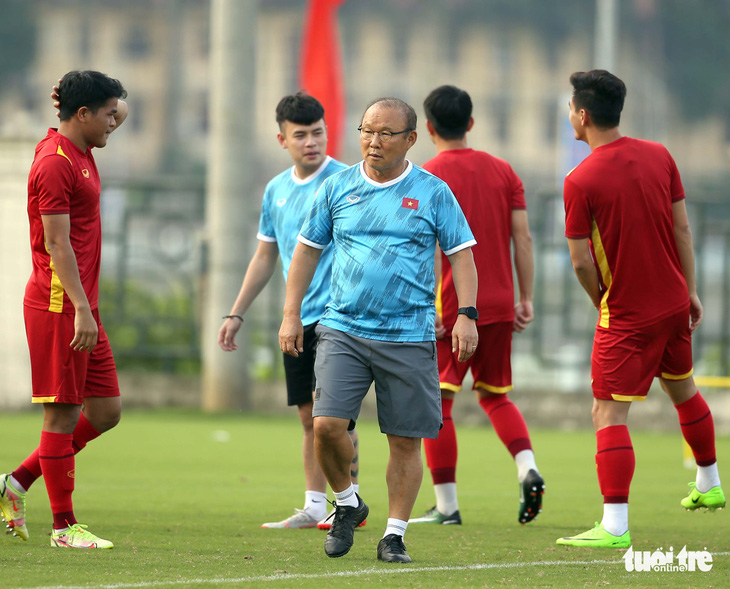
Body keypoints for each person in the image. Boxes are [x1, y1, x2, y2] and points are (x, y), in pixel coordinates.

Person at [279, 97, 479, 563]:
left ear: (411, 139)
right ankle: (348, 503)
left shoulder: (433, 192)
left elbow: (462, 255)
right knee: (326, 427)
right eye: (367, 130)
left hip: (408, 334)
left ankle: (394, 535)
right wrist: (291, 314)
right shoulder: (337, 187)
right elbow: (306, 251)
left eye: (386, 133)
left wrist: (466, 313)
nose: (374, 141)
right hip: (342, 328)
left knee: (404, 439)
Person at [557, 70, 725, 548]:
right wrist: (689, 291)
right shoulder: (660, 155)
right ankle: (709, 484)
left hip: (628, 314)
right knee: (684, 390)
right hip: (674, 302)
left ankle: (614, 526)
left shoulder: (579, 180)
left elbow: (579, 260)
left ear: (583, 115)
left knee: (606, 414)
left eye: (571, 108)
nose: (570, 115)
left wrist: (601, 301)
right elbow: (683, 232)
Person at [218, 92, 363, 530]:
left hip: (340, 317)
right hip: (296, 318)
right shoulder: (276, 190)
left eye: (318, 132)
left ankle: (348, 504)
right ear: (282, 140)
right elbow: (266, 256)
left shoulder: (346, 181)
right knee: (308, 415)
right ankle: (316, 505)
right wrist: (236, 312)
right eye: (300, 135)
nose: (311, 142)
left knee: (335, 416)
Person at [0, 70, 128, 549]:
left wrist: (93, 97)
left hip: (80, 306)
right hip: (61, 305)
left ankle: (14, 483)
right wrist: (81, 309)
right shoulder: (55, 162)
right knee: (62, 416)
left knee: (107, 410)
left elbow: (115, 108)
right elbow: (56, 243)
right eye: (109, 114)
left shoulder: (81, 146)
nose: (116, 122)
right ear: (82, 115)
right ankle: (63, 527)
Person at [409, 85, 545, 528]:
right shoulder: (504, 171)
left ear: (429, 129)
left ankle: (446, 505)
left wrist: (429, 307)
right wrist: (525, 296)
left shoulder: (425, 176)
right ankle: (527, 466)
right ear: (470, 124)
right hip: (500, 300)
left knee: (438, 404)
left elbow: (426, 247)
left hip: (452, 306)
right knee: (494, 394)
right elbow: (522, 238)